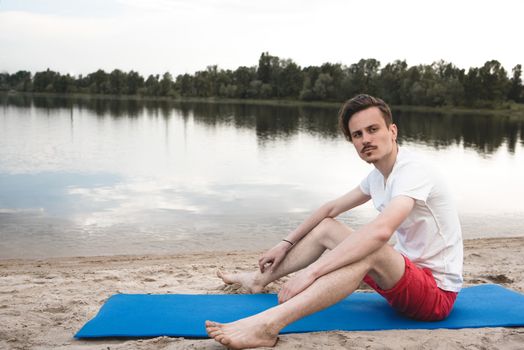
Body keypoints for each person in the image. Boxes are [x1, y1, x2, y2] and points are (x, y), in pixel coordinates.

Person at [205, 94, 463, 349]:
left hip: (435, 295)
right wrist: (285, 243)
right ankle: (258, 280)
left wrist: (311, 273)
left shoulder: (414, 170)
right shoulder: (377, 176)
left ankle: (266, 327)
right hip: (402, 279)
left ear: (392, 130)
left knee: (370, 249)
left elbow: (382, 231)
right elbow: (330, 209)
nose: (366, 140)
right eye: (357, 135)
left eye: (373, 130)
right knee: (328, 228)